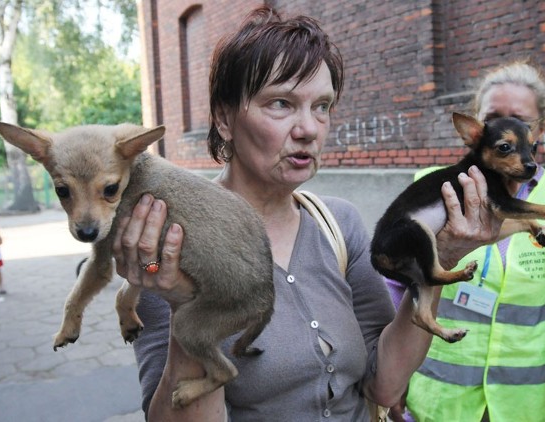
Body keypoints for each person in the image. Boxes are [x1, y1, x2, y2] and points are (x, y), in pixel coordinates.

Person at [111, 7, 504, 421]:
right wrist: (184, 303)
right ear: (224, 118)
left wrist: (438, 262)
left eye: (322, 106)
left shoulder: (339, 224)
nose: (309, 129)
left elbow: (385, 383)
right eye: (281, 103)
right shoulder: (168, 247)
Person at [387, 60, 545, 421]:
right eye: (492, 118)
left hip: (527, 407)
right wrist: (391, 379)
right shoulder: (433, 187)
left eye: (519, 120)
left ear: (539, 131)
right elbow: (393, 289)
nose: (505, 130)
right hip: (437, 404)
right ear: (475, 128)